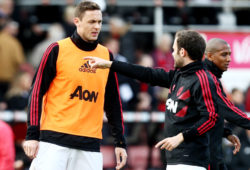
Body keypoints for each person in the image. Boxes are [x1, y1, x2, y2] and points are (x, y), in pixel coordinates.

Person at [86, 30, 220, 170]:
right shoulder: (178, 76)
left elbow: (210, 118)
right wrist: (110, 64)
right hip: (175, 158)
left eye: (173, 50)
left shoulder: (203, 79)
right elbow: (145, 73)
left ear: (182, 52)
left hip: (193, 160)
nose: (172, 54)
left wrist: (181, 137)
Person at [23, 1, 127, 170]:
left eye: (99, 22)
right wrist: (32, 134)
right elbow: (36, 93)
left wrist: (120, 142)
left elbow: (113, 102)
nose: (97, 27)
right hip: (53, 142)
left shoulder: (106, 55)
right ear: (77, 21)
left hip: (90, 146)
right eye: (91, 22)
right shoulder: (57, 49)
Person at [204, 38, 250, 170]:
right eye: (224, 54)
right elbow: (228, 110)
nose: (229, 59)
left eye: (229, 54)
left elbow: (207, 116)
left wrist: (225, 132)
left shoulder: (212, 78)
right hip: (201, 154)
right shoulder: (207, 79)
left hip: (209, 150)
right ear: (210, 56)